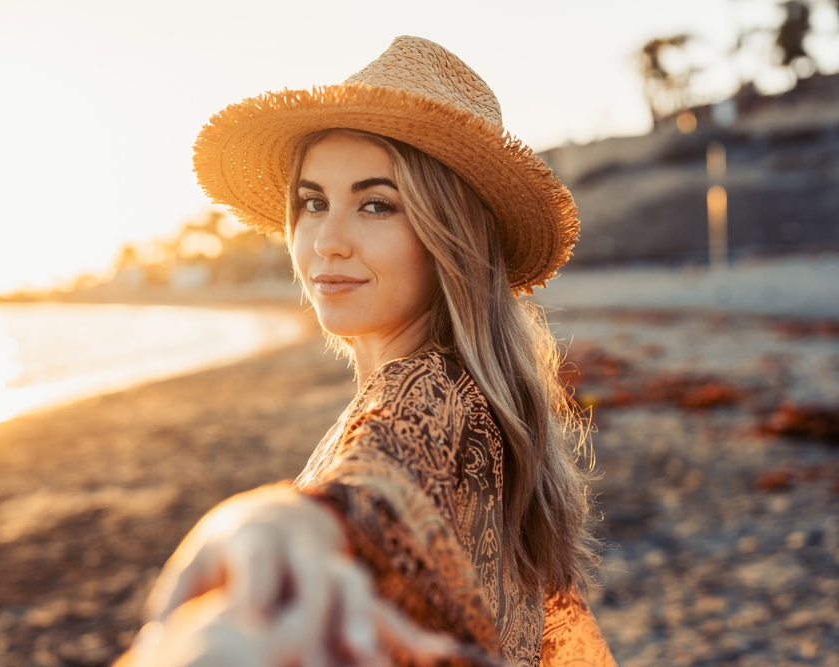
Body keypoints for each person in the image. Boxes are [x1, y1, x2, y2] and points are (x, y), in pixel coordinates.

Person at [121, 36, 616, 666]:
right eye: (313, 203)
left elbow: (388, 467)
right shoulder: (480, 395)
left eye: (376, 205)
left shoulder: (430, 393)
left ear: (449, 236)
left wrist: (280, 521)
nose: (327, 240)